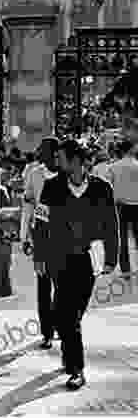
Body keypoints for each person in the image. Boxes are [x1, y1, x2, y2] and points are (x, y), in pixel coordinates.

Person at [37, 139, 118, 390]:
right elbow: (40, 222)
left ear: (76, 161)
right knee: (67, 314)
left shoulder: (101, 187)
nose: (56, 162)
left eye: (60, 158)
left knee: (72, 313)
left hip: (89, 259)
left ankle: (69, 350)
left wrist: (111, 258)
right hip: (58, 259)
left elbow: (111, 224)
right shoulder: (51, 186)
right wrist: (39, 255)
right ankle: (76, 369)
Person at [20, 137, 60, 349]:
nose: (38, 153)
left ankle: (64, 325)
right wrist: (24, 236)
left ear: (55, 153)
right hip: (42, 236)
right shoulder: (34, 174)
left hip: (65, 239)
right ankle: (47, 332)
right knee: (44, 286)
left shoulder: (67, 174)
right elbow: (28, 206)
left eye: (42, 150)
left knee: (64, 288)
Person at [106, 140, 138, 276]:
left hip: (120, 206)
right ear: (130, 150)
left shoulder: (113, 167)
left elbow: (109, 188)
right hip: (137, 204)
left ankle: (125, 269)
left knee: (122, 238)